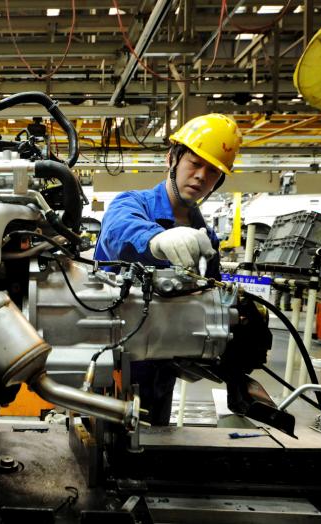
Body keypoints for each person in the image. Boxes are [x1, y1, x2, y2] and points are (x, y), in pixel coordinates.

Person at [94, 113, 242, 425]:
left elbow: (212, 303)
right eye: (194, 163)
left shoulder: (206, 240)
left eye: (213, 171)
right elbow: (118, 231)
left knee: (152, 447)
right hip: (112, 365)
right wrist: (157, 239)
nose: (201, 176)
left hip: (162, 371)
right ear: (171, 159)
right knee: (100, 453)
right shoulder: (132, 203)